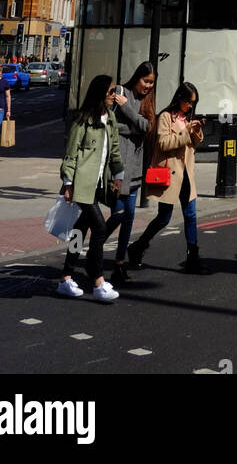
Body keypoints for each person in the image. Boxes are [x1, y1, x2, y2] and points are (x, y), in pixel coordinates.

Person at [127, 81, 207, 275]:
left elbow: (192, 145)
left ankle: (192, 258)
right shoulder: (165, 117)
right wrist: (185, 131)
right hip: (171, 175)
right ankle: (138, 246)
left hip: (187, 174)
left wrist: (196, 131)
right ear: (180, 98)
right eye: (188, 102)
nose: (191, 106)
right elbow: (163, 143)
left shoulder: (188, 117)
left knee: (191, 215)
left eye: (194, 103)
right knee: (164, 218)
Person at [58, 74, 124, 302]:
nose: (114, 95)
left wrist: (118, 175)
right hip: (81, 185)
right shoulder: (82, 119)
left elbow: (114, 149)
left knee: (79, 231)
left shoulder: (111, 118)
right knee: (100, 229)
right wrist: (67, 183)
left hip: (98, 185)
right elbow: (71, 153)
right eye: (111, 92)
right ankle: (97, 280)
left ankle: (66, 278)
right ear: (100, 94)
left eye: (114, 91)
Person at [104, 62, 156, 288]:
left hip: (135, 167)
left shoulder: (146, 101)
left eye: (152, 83)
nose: (148, 86)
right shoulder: (120, 93)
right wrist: (134, 125)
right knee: (118, 214)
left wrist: (130, 113)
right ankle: (96, 249)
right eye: (145, 81)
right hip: (117, 166)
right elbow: (109, 125)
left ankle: (119, 263)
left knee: (129, 218)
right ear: (137, 77)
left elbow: (148, 126)